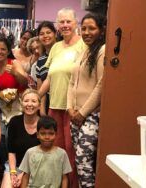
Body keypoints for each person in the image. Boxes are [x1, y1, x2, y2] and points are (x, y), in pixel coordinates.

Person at [38, 8, 86, 187]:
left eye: (68, 21)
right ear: (57, 25)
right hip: (54, 107)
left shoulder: (83, 45)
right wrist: (36, 96)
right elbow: (50, 78)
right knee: (54, 151)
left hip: (73, 108)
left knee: (71, 153)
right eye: (62, 22)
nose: (65, 25)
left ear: (75, 23)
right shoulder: (56, 47)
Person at [67, 13, 106, 188]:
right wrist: (70, 109)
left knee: (84, 163)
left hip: (91, 116)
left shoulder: (103, 50)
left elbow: (101, 85)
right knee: (80, 162)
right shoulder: (83, 51)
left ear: (102, 30)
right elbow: (71, 82)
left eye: (92, 28)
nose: (87, 32)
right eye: (83, 28)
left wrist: (82, 113)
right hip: (75, 115)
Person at [0, 36, 28, 180]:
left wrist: (15, 73)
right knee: (0, 137)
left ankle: (15, 167)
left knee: (11, 138)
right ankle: (4, 166)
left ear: (8, 51)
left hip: (16, 107)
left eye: (3, 49)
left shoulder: (14, 63)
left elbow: (25, 82)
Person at [1, 89, 40, 188]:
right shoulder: (14, 122)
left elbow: (43, 154)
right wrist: (13, 173)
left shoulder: (44, 124)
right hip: (15, 166)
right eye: (26, 101)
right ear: (21, 103)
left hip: (37, 167)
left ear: (39, 105)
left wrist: (23, 174)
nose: (29, 104)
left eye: (33, 101)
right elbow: (11, 151)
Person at [19, 116, 72, 188]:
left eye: (51, 133)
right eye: (43, 133)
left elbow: (64, 178)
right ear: (37, 135)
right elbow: (26, 176)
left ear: (56, 134)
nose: (47, 137)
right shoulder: (30, 152)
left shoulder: (62, 154)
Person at [35, 21, 57, 116]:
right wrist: (42, 111)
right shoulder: (40, 60)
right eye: (41, 34)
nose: (45, 36)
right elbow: (40, 88)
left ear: (55, 34)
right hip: (48, 103)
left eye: (48, 32)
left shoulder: (63, 53)